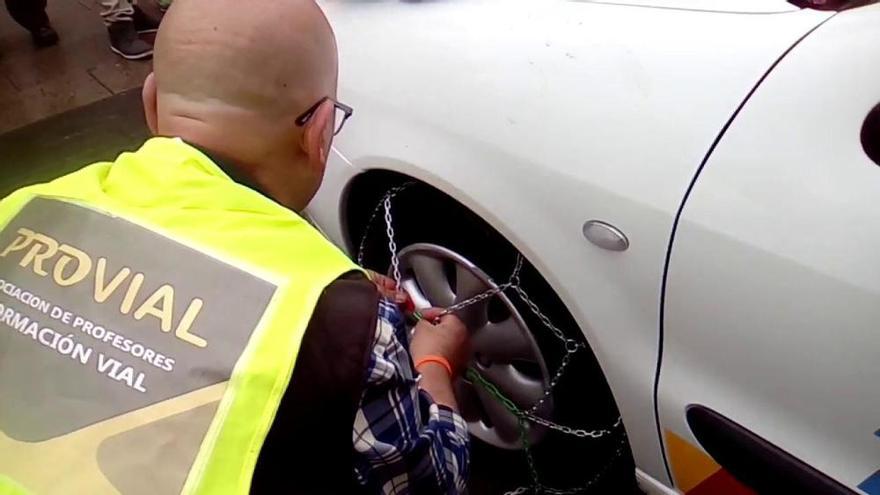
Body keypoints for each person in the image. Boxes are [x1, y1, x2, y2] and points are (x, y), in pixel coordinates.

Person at [0, 0, 470, 494]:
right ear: (320, 131)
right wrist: (434, 365)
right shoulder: (347, 327)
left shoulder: (22, 208)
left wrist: (341, 309)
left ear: (151, 103)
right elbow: (432, 481)